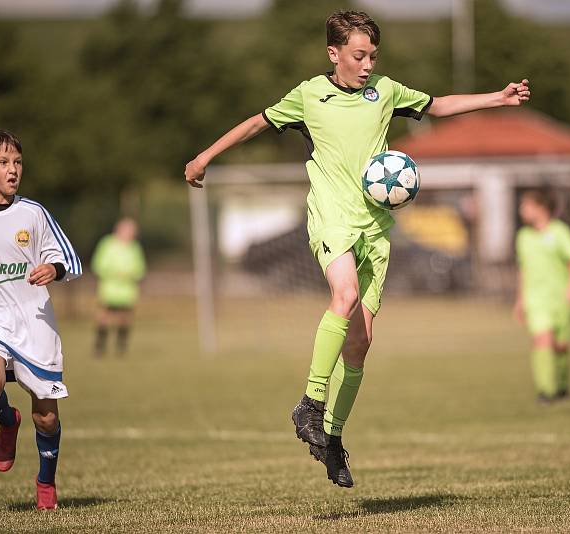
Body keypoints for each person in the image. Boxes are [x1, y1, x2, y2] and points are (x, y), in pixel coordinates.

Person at [184, 10, 530, 487]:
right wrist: (205, 157)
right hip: (330, 216)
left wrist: (498, 97)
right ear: (335, 53)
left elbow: (440, 104)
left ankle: (331, 439)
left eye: (373, 56)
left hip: (375, 227)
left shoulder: (385, 92)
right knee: (342, 296)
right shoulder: (309, 95)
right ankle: (309, 402)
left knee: (361, 343)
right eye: (358, 55)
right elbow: (256, 124)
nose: (368, 64)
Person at [0, 129, 82, 509]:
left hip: (33, 320)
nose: (13, 170)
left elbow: (71, 260)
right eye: (3, 162)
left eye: (17, 162)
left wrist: (53, 270)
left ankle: (46, 481)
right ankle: (7, 422)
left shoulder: (34, 213)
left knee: (46, 419)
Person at [513, 189, 570, 403]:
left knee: (561, 346)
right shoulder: (523, 237)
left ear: (541, 208)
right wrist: (520, 299)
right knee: (542, 340)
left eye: (526, 206)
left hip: (561, 298)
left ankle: (562, 387)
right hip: (536, 300)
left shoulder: (559, 232)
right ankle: (546, 391)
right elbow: (523, 270)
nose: (521, 210)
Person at [91, 217, 146, 357]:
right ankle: (99, 346)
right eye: (128, 231)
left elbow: (140, 268)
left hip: (127, 291)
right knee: (103, 317)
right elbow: (98, 264)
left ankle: (121, 349)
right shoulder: (107, 244)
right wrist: (115, 273)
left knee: (124, 319)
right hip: (109, 289)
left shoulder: (135, 247)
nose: (131, 234)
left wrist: (131, 274)